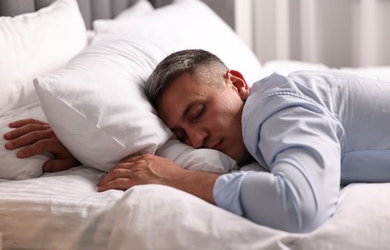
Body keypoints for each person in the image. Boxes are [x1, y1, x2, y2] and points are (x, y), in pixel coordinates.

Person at [4, 49, 390, 233]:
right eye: (182, 135)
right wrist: (88, 143)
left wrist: (177, 179)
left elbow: (300, 206)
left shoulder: (275, 109)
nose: (198, 139)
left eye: (197, 112)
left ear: (237, 83)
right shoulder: (252, 123)